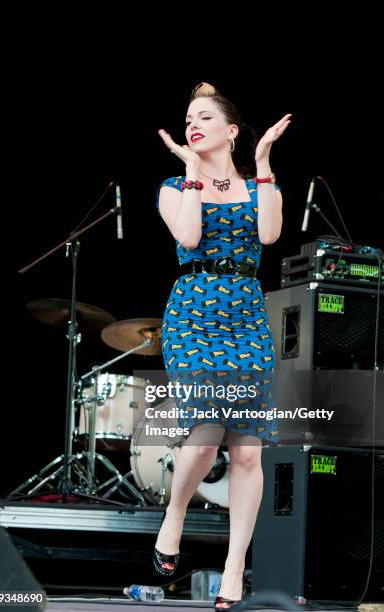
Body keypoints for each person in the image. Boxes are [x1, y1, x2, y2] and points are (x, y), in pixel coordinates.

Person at [153, 82, 291, 609]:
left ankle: (235, 572)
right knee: (207, 434)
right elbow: (188, 238)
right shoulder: (172, 187)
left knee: (249, 453)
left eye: (205, 117)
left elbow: (272, 233)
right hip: (193, 317)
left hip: (246, 322)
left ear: (231, 131)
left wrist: (263, 161)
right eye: (189, 117)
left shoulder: (260, 184)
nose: (194, 124)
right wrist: (191, 172)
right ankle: (177, 512)